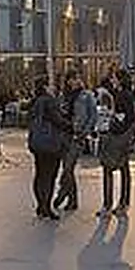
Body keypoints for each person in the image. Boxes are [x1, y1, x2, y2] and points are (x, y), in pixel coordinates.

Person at [26, 77, 72, 220]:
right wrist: (71, 126)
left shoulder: (34, 101)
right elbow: (57, 120)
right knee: (50, 175)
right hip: (50, 143)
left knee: (39, 174)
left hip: (37, 142)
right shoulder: (49, 101)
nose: (53, 87)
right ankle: (46, 207)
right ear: (46, 87)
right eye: (51, 84)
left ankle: (40, 206)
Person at [54, 70, 95, 212]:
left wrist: (85, 132)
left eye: (77, 78)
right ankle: (73, 201)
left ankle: (62, 193)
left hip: (78, 136)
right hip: (64, 134)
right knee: (68, 169)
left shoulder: (86, 95)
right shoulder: (63, 96)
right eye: (71, 79)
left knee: (68, 168)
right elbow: (59, 113)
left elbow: (92, 115)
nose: (74, 81)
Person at [96, 72, 135, 216]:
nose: (113, 80)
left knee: (113, 168)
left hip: (118, 136)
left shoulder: (124, 95)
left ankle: (112, 204)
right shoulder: (121, 94)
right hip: (119, 135)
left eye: (114, 78)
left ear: (119, 80)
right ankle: (119, 203)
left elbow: (127, 117)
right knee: (121, 169)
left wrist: (115, 124)